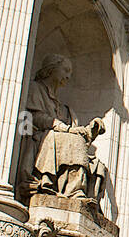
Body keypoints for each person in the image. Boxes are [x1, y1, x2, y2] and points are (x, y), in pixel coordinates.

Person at [19, 53, 108, 202]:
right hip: (40, 137)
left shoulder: (63, 107)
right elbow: (32, 117)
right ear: (51, 69)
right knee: (72, 141)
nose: (68, 76)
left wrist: (90, 131)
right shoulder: (36, 88)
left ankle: (75, 190)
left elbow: (74, 131)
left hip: (59, 139)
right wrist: (64, 128)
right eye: (65, 70)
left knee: (97, 164)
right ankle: (73, 191)